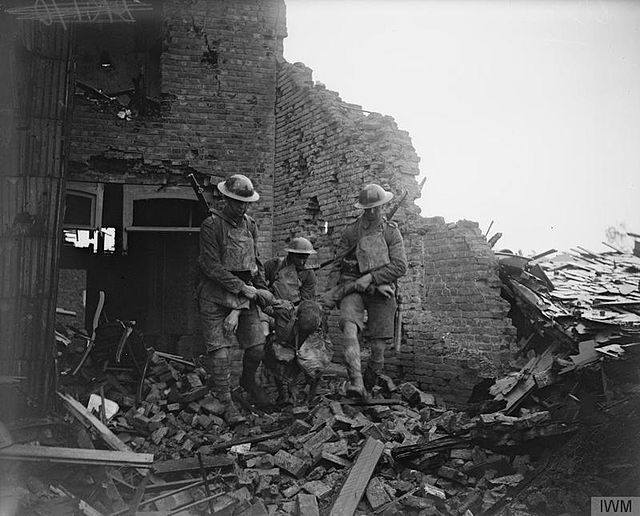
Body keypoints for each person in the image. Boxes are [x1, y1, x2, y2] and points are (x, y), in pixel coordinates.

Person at [196, 174, 271, 424]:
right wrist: (243, 288)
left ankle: (248, 380)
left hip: (245, 294)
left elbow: (255, 263)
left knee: (257, 347)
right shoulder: (211, 225)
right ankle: (225, 402)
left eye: (247, 203)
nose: (243, 207)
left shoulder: (250, 225)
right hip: (215, 296)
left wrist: (262, 291)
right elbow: (211, 267)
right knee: (220, 354)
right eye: (238, 202)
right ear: (226, 199)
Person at [334, 183, 407, 399]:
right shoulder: (351, 232)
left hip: (382, 290)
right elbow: (340, 264)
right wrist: (336, 292)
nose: (373, 212)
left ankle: (367, 387)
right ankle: (356, 382)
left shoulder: (391, 233)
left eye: (377, 207)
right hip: (353, 286)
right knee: (349, 327)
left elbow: (400, 266)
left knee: (378, 349)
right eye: (368, 208)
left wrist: (373, 278)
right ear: (362, 209)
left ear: (383, 207)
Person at [263, 238, 326, 404]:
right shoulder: (272, 266)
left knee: (308, 351)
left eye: (305, 257)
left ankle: (304, 393)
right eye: (299, 257)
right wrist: (269, 308)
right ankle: (282, 392)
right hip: (271, 313)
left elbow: (307, 302)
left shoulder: (308, 274)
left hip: (295, 316)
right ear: (290, 255)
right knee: (274, 351)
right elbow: (261, 289)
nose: (303, 261)